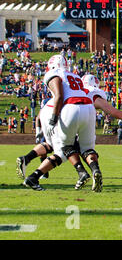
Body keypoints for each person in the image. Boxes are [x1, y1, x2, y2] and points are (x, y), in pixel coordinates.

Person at [22, 55, 98, 191]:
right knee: (82, 148)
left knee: (64, 149)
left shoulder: (54, 74)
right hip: (88, 109)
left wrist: (53, 119)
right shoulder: (74, 75)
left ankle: (33, 177)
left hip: (67, 109)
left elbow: (59, 96)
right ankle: (90, 172)